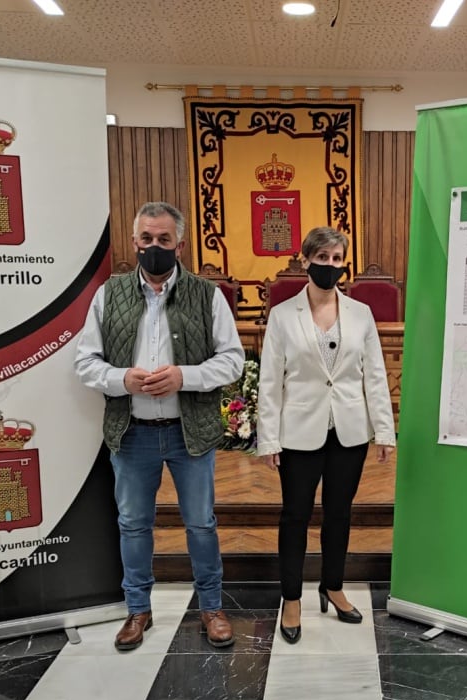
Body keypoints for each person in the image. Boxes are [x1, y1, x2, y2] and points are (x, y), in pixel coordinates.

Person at [75, 201, 245, 651]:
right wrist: (121, 379)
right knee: (132, 525)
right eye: (147, 239)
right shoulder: (108, 295)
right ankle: (138, 611)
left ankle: (211, 607)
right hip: (132, 433)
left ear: (180, 245)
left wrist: (183, 376)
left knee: (201, 524)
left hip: (190, 432)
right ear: (134, 243)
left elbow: (233, 360)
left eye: (164, 240)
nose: (155, 247)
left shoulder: (206, 295)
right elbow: (85, 361)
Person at [256, 227, 396, 644]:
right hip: (299, 432)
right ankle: (292, 597)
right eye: (323, 257)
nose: (330, 265)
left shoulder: (361, 314)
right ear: (305, 260)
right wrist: (268, 439)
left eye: (337, 259)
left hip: (349, 430)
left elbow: (374, 375)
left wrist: (385, 430)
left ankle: (333, 587)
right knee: (295, 515)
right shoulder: (283, 315)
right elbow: (269, 382)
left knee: (339, 513)